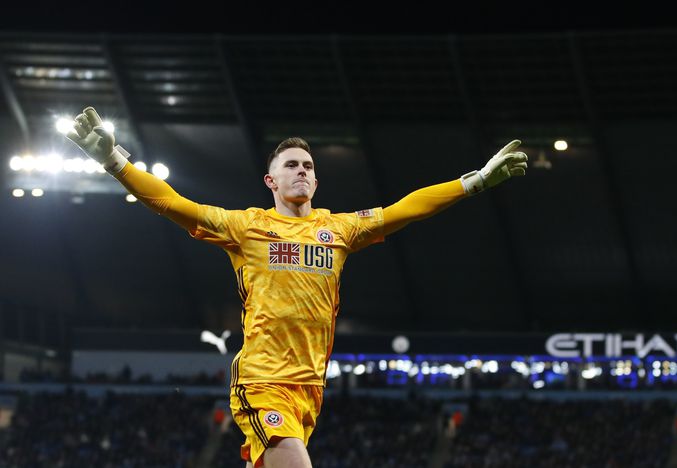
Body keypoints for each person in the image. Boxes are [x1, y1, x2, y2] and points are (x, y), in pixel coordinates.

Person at [66, 106, 527, 468]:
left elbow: (407, 208)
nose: (302, 170)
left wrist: (477, 181)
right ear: (272, 180)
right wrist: (114, 160)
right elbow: (173, 203)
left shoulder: (340, 230)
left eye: (308, 165)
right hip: (262, 382)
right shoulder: (245, 228)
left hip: (309, 389)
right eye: (291, 165)